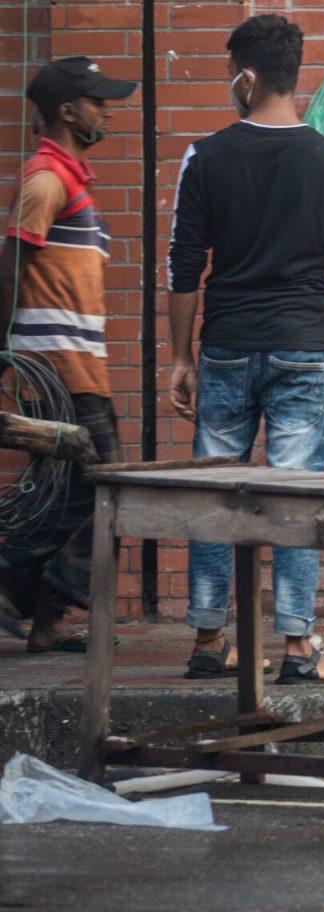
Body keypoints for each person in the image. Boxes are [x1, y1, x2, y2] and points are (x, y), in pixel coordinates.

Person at [167, 14, 324, 684]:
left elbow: (182, 267)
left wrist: (180, 358)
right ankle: (297, 649)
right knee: (295, 499)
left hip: (225, 346)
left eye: (233, 75)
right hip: (304, 347)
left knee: (217, 492)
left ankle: (207, 639)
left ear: (246, 78)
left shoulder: (205, 157)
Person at [0, 58, 136, 652]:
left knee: (75, 492)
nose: (106, 110)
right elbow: (10, 263)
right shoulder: (45, 179)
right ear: (66, 111)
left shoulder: (69, 178)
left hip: (79, 363)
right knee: (109, 488)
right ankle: (20, 585)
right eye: (97, 101)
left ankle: (42, 614)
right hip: (58, 367)